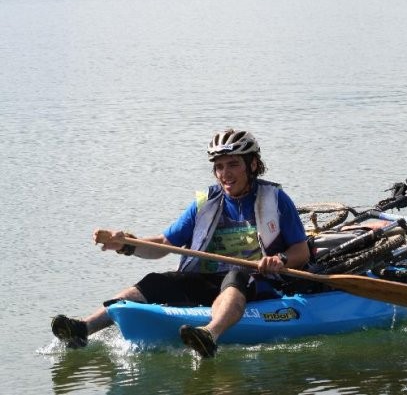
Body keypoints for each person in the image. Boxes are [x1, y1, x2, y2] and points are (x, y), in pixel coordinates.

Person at [51, 129, 310, 358]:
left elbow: (301, 251)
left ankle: (209, 335)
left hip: (257, 282)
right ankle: (83, 328)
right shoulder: (205, 202)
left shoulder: (276, 200)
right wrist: (126, 244)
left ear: (252, 165)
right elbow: (165, 243)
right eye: (219, 166)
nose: (225, 174)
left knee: (236, 275)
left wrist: (280, 260)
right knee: (155, 281)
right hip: (205, 280)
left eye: (233, 164)